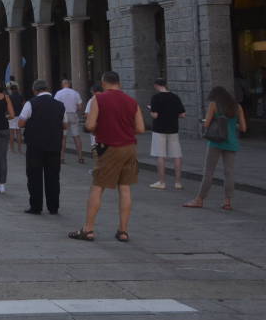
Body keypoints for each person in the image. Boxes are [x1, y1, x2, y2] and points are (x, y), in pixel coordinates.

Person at [69, 71, 144, 242]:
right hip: (130, 147)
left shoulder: (99, 99)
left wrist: (102, 128)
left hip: (109, 147)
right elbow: (140, 128)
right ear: (119, 83)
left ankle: (88, 229)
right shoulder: (132, 101)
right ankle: (123, 231)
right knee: (125, 188)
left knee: (98, 187)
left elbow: (89, 124)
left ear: (103, 83)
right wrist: (124, 130)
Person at [184, 86, 247, 211]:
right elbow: (243, 128)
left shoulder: (214, 105)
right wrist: (233, 125)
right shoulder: (237, 107)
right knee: (229, 173)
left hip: (216, 142)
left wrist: (205, 121)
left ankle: (199, 199)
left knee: (208, 172)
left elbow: (206, 124)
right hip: (232, 143)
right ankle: (227, 202)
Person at [18, 79, 67, 214]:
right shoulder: (60, 105)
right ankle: (53, 207)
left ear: (35, 90)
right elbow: (65, 124)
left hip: (35, 145)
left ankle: (36, 206)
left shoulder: (31, 103)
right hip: (54, 145)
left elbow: (21, 123)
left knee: (34, 176)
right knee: (53, 177)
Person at [148, 78, 186, 190]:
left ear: (156, 85)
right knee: (177, 155)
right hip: (173, 128)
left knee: (161, 156)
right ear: (166, 85)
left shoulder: (156, 98)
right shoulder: (175, 97)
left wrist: (150, 109)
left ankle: (161, 182)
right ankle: (178, 182)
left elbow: (155, 115)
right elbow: (183, 114)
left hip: (159, 129)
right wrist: (172, 114)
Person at [54, 78, 85, 164]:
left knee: (63, 137)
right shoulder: (75, 93)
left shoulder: (59, 93)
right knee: (76, 136)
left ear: (62, 84)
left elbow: (56, 106)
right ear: (69, 84)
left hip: (64, 115)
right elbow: (80, 107)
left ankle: (62, 158)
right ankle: (80, 157)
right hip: (73, 114)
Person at [8, 83, 25, 153]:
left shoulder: (10, 96)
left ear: (11, 90)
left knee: (11, 133)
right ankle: (19, 149)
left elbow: (8, 106)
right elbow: (23, 104)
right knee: (18, 133)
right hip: (19, 115)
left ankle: (12, 149)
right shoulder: (20, 96)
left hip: (12, 115)